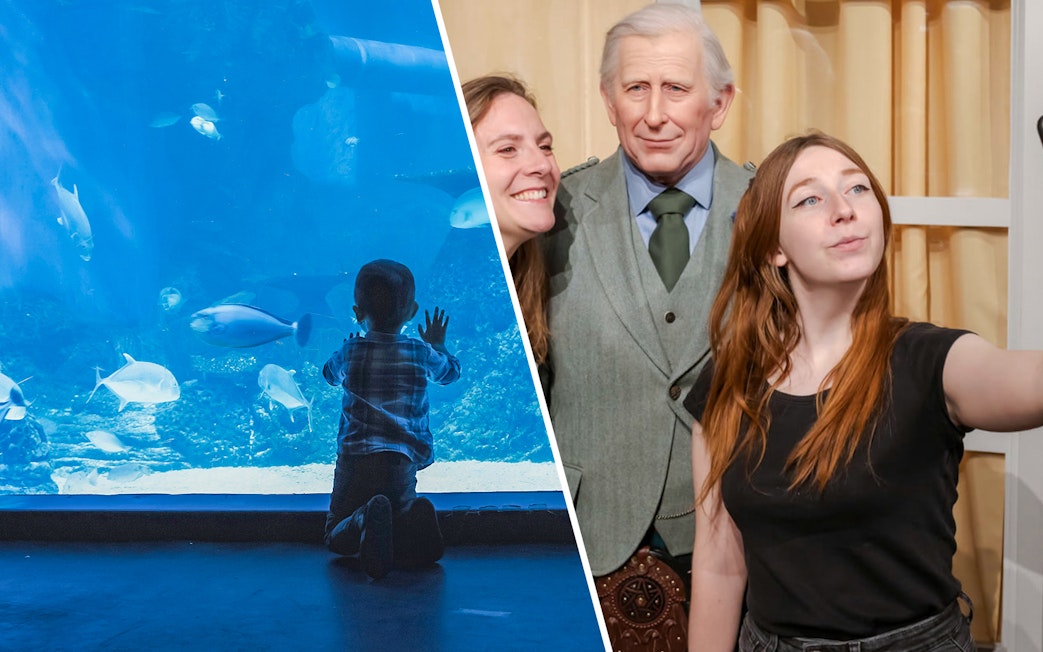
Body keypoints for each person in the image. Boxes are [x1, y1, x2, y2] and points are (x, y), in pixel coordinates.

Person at [684, 131, 1043, 651]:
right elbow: (719, 564)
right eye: (810, 199)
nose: (843, 210)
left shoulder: (932, 361)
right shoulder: (726, 385)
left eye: (857, 190)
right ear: (773, 248)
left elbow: (1029, 383)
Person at [542, 0, 754, 604]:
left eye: (676, 88)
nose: (654, 114)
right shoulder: (549, 213)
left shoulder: (776, 210)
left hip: (741, 541)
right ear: (609, 101)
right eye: (636, 88)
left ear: (719, 103)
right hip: (585, 542)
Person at [321, 259, 461, 580]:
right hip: (401, 461)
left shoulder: (351, 351)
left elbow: (328, 375)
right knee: (397, 513)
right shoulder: (421, 351)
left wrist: (345, 353)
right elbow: (451, 373)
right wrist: (437, 343)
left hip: (356, 459)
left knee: (335, 532)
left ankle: (364, 518)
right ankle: (413, 515)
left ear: (357, 313)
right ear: (411, 311)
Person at [462, 74, 560, 368]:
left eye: (544, 146)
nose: (542, 164)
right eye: (507, 149)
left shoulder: (528, 287)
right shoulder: (451, 302)